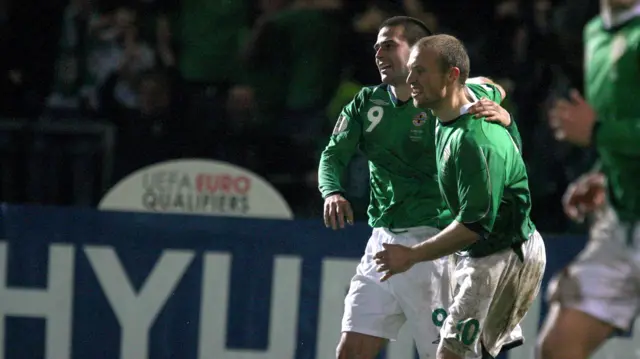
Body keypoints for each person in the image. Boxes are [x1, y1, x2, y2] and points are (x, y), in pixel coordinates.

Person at [318, 16, 521, 359]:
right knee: (350, 350)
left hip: (435, 245)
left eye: (389, 45)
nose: (379, 53)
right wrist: (332, 192)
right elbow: (332, 155)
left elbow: (492, 87)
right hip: (382, 243)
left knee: (447, 355)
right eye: (376, 47)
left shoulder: (449, 95)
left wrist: (503, 113)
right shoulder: (367, 103)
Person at [372, 34, 546, 359]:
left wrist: (411, 256)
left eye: (421, 72)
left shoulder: (473, 142)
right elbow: (493, 85)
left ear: (451, 76)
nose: (410, 80)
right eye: (411, 70)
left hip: (502, 254)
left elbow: (472, 226)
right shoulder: (470, 95)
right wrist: (506, 114)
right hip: (481, 251)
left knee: (452, 355)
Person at [540, 1, 640, 358]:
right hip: (620, 220)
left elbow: (606, 127)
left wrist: (598, 132)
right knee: (556, 348)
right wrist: (602, 172)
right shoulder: (594, 31)